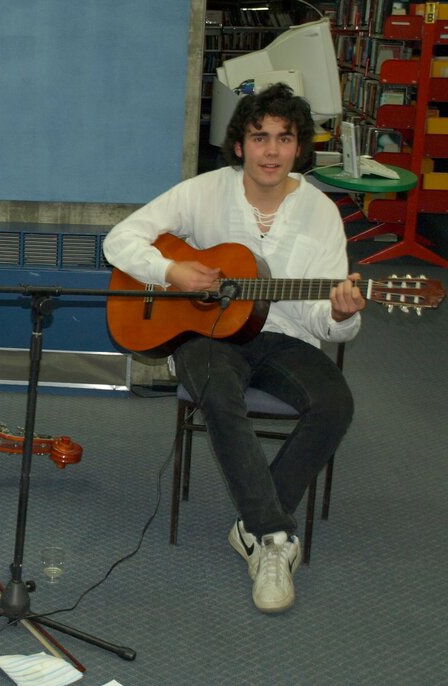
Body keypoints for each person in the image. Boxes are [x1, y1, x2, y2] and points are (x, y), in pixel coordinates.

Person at [103, 84, 365, 614]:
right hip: (206, 335)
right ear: (240, 144)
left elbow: (323, 317)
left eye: (284, 138)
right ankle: (272, 538)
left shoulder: (321, 213)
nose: (271, 151)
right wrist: (172, 270)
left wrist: (339, 314)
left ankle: (252, 524)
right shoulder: (204, 191)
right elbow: (119, 240)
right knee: (220, 395)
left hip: (285, 338)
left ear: (299, 148)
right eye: (259, 136)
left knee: (336, 404)